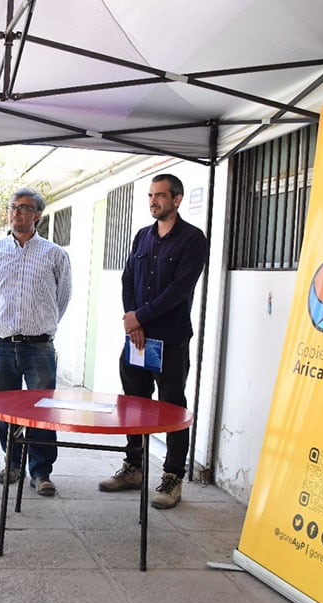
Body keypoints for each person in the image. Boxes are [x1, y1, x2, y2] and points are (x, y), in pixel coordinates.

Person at [98, 173, 208, 509]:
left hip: (170, 341)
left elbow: (179, 290)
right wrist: (133, 319)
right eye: (150, 195)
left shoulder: (192, 239)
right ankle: (134, 468)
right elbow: (128, 279)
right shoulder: (142, 236)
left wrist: (140, 317)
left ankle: (173, 477)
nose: (153, 201)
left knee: (172, 408)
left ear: (177, 199)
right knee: (134, 404)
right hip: (137, 341)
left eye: (160, 195)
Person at [0, 188, 72, 496]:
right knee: (5, 410)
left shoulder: (55, 254)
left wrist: (41, 325)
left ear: (37, 215)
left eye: (24, 207)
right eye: (13, 207)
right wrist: (1, 322)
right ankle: (12, 463)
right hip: (2, 346)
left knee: (42, 411)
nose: (16, 212)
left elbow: (62, 298)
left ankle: (41, 471)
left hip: (39, 347)